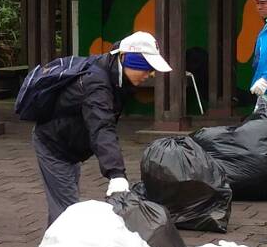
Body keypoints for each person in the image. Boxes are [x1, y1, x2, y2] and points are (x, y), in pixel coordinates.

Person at [32, 31, 171, 225]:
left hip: (71, 147)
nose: (150, 74)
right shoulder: (97, 82)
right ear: (125, 58)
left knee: (64, 208)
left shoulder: (117, 75)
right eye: (145, 68)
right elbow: (102, 126)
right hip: (54, 145)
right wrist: (116, 174)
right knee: (67, 215)